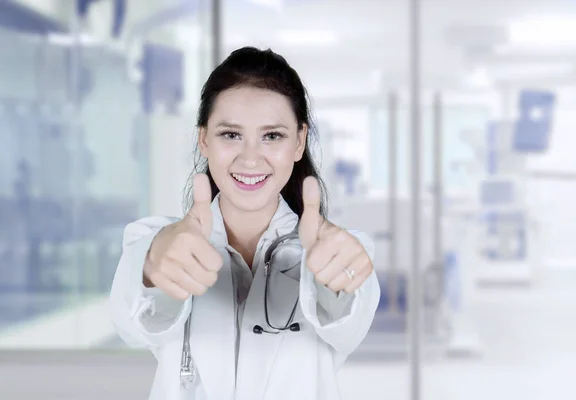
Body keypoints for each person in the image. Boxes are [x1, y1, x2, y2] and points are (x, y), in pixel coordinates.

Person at [109, 46, 381, 400]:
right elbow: (131, 323)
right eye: (231, 134)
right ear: (204, 139)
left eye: (272, 136)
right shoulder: (154, 241)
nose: (250, 158)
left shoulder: (340, 253)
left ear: (299, 142)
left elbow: (348, 324)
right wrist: (150, 265)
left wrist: (336, 283)